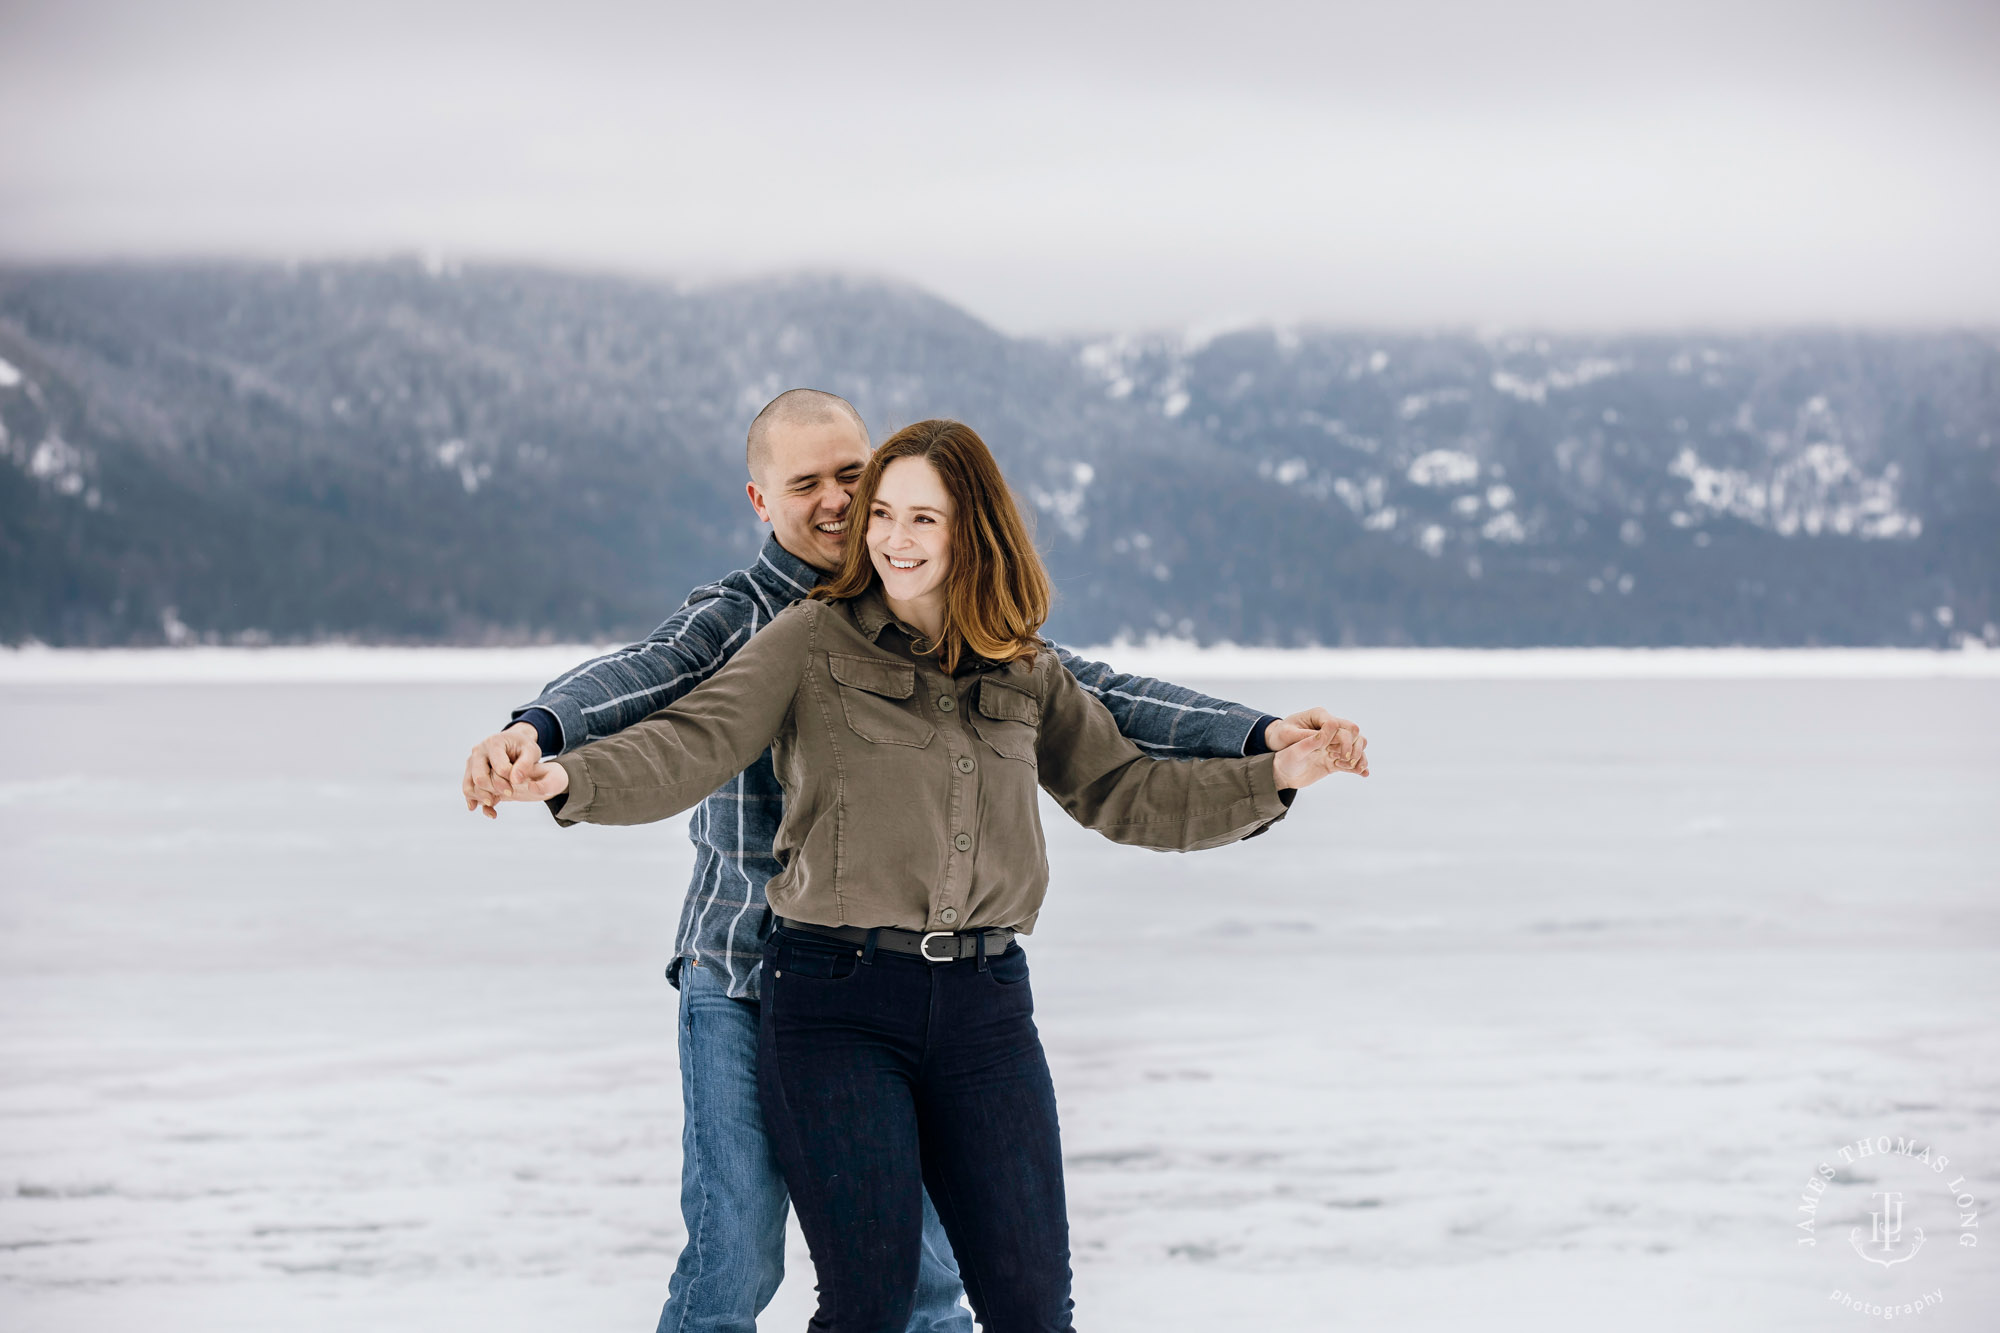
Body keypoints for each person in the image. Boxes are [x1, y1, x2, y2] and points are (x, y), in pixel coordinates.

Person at [462, 389, 1367, 1333]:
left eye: (857, 478)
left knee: (944, 1290)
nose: (844, 505)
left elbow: (1108, 718)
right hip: (750, 971)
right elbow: (659, 698)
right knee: (740, 1259)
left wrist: (1265, 746)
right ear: (759, 499)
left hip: (955, 992)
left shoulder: (984, 641)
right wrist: (544, 739)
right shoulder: (757, 621)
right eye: (808, 483)